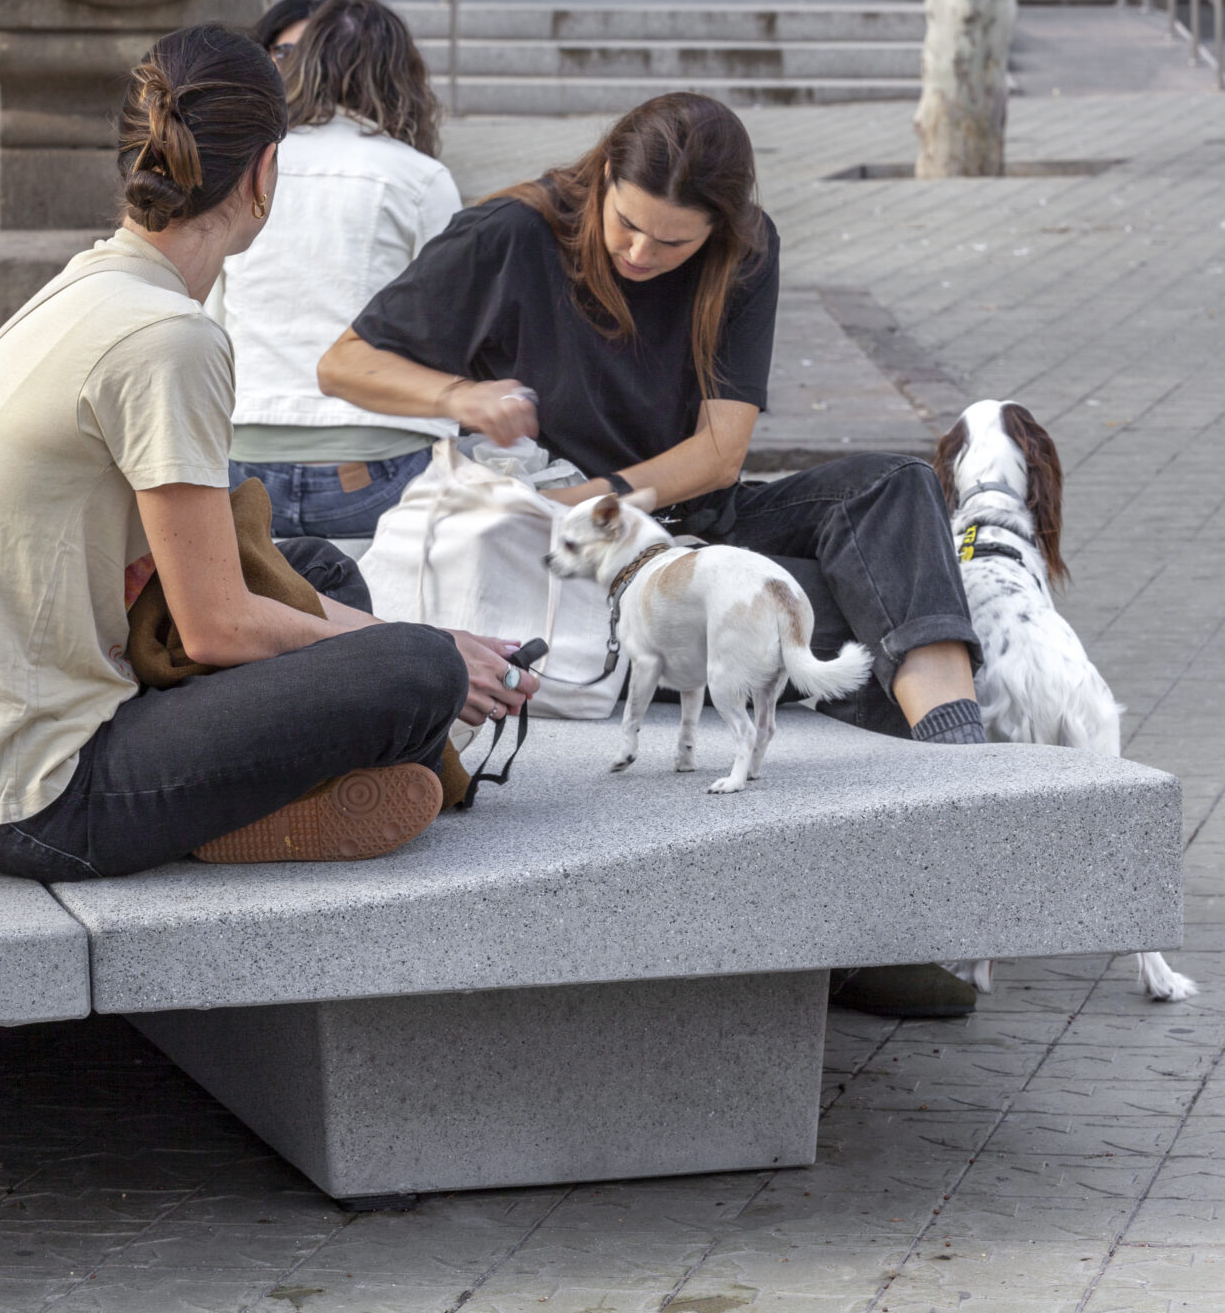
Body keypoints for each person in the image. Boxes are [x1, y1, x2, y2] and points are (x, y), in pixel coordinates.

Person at [319, 91, 986, 1015]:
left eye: (672, 244)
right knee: (834, 610)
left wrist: (601, 498)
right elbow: (344, 362)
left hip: (675, 523)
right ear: (598, 182)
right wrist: (459, 397)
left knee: (895, 490)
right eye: (627, 226)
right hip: (590, 570)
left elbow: (720, 453)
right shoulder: (510, 233)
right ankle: (874, 929)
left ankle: (971, 779)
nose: (640, 255)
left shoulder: (747, 254)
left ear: (719, 231)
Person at [0, 24, 535, 881]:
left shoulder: (89, 283)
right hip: (39, 799)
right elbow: (217, 625)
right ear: (266, 172)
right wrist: (439, 646)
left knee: (312, 568)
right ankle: (260, 797)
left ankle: (269, 785)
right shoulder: (170, 338)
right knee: (415, 667)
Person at [210, 0, 461, 537]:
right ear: (403, 78)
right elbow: (455, 328)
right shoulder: (420, 178)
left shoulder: (249, 166)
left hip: (245, 461)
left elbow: (210, 314)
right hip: (378, 465)